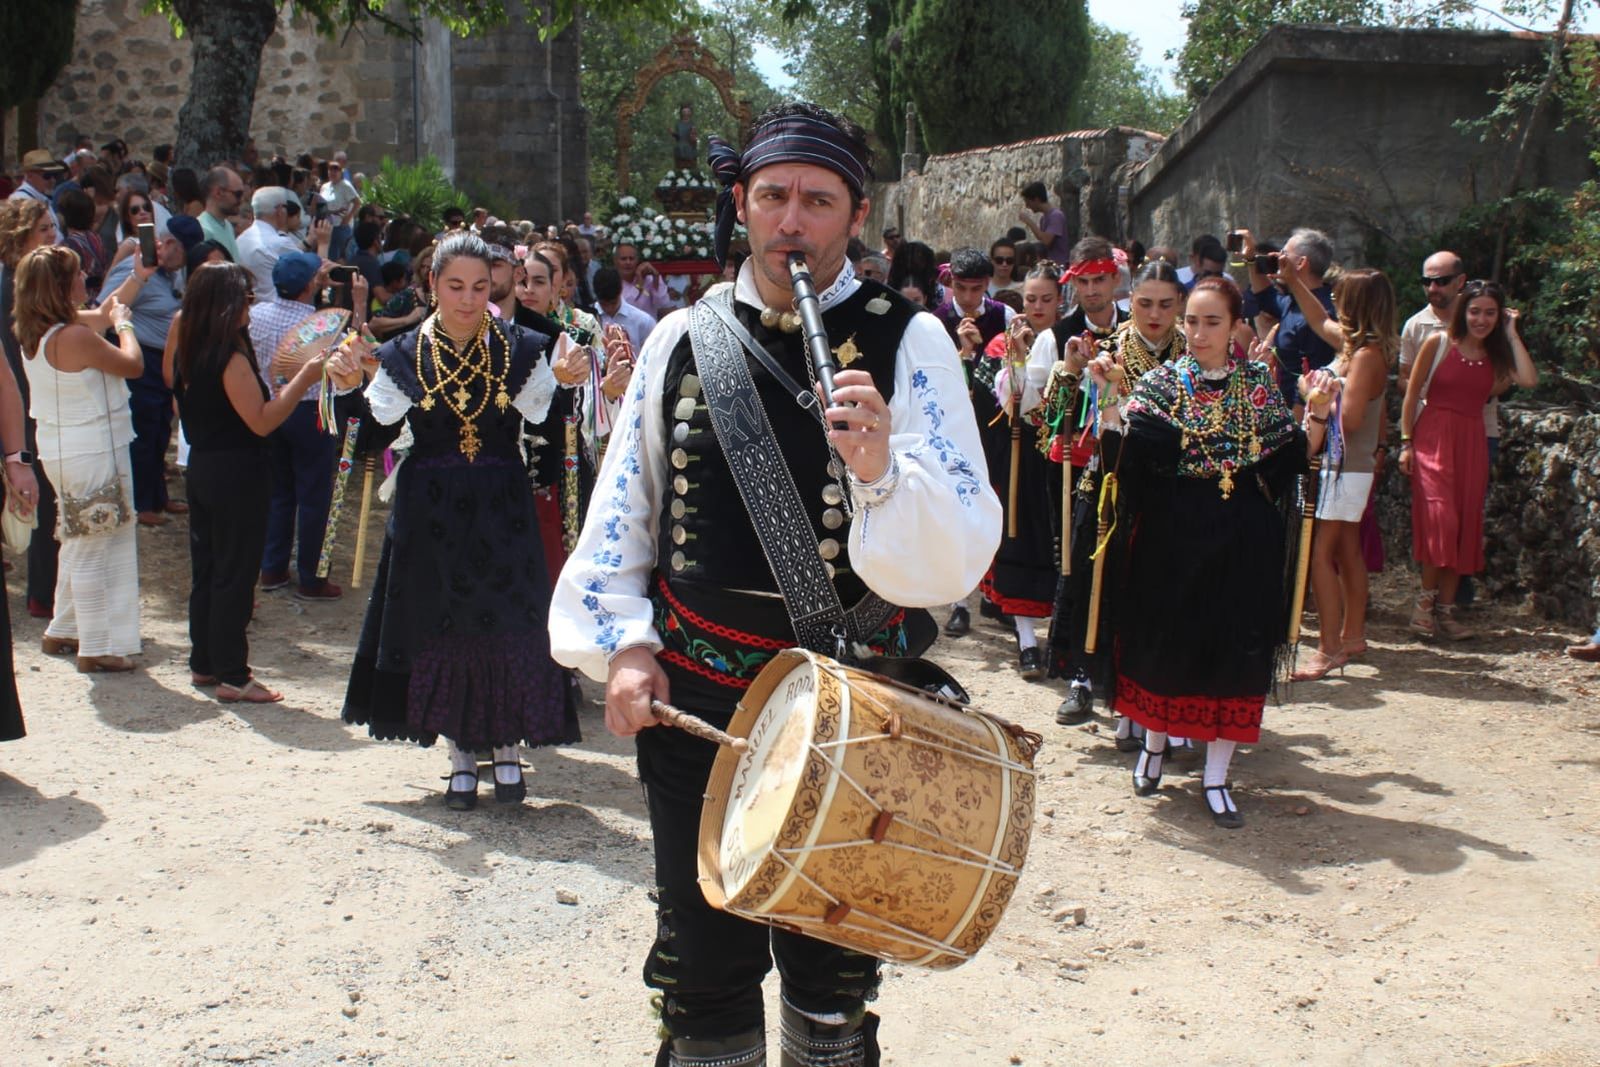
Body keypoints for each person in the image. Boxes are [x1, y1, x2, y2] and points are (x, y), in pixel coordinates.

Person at [549, 100, 1000, 1067]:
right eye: (773, 196)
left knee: (833, 970)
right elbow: (627, 500)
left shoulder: (911, 340)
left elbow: (962, 548)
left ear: (858, 214)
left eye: (818, 201)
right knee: (701, 963)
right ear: (744, 204)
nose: (792, 220)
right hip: (699, 698)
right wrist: (624, 645)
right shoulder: (682, 336)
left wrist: (882, 470)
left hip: (854, 703)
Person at [1087, 275, 1336, 828]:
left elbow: (1291, 457)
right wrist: (1108, 400)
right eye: (1192, 322)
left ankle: (1217, 776)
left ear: (1236, 327)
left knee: (1235, 650)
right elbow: (1124, 457)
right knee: (1167, 644)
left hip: (1243, 540)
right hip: (1172, 537)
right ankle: (1154, 745)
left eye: (1212, 322)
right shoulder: (1160, 384)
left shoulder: (1258, 385)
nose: (1199, 334)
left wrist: (1317, 412)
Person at [341, 232, 577, 808]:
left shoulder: (522, 348)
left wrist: (572, 388)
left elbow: (549, 429)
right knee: (441, 627)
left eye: (479, 287)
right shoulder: (402, 355)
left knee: (507, 625)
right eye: (455, 287)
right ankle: (461, 757)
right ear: (432, 285)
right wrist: (348, 389)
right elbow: (370, 436)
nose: (469, 299)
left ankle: (507, 748)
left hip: (503, 509)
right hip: (430, 513)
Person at [173, 263, 356, 702]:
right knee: (235, 574)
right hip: (236, 472)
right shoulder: (229, 359)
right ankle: (233, 675)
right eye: (245, 298)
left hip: (204, 465)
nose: (250, 307)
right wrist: (304, 378)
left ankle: (205, 662)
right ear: (225, 305)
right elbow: (262, 420)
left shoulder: (189, 349)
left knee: (209, 569)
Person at [1034, 258, 1184, 732]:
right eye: (1145, 303)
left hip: (1172, 487)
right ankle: (1082, 678)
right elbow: (1053, 418)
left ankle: (1145, 694)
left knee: (1154, 589)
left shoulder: (1192, 354)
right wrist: (1070, 369)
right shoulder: (1107, 349)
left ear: (1179, 305)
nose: (1154, 314)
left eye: (1165, 305)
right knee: (1090, 578)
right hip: (1108, 482)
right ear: (1130, 301)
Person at [14, 245, 145, 672]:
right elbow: (132, 364)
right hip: (90, 449)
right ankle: (96, 645)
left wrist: (136, 277)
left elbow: (102, 312)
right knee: (94, 542)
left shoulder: (37, 328)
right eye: (75, 275)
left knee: (77, 536)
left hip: (62, 447)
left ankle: (64, 627)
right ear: (57, 285)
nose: (82, 279)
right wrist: (125, 326)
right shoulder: (73, 336)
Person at [1398, 280, 1538, 640]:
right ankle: (1424, 605)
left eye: (1490, 313)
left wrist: (1511, 332)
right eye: (1475, 311)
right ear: (1464, 311)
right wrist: (1406, 443)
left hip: (1472, 441)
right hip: (1433, 437)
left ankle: (1446, 612)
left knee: (1463, 526)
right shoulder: (1438, 342)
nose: (1481, 319)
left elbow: (1528, 379)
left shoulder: (1497, 355)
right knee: (1441, 520)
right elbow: (1411, 396)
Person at [1278, 265, 1397, 678]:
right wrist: (1292, 279)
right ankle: (1352, 635)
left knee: (1318, 556)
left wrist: (1310, 393)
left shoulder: (1365, 357)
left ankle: (1328, 648)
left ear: (1356, 305)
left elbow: (1352, 418)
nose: (1333, 303)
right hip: (1346, 467)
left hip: (1341, 468)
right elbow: (1317, 319)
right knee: (1347, 551)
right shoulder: (1356, 348)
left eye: (1340, 298)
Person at [248, 251, 365, 601]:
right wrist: (358, 302)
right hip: (311, 410)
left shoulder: (256, 315)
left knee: (279, 491)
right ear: (311, 284)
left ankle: (272, 567)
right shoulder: (322, 324)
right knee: (315, 496)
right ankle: (313, 576)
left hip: (270, 408)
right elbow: (355, 352)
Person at [986, 262, 1068, 678]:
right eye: (1031, 299)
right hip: (1026, 455)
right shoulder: (1007, 342)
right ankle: (1027, 641)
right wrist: (1015, 360)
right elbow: (1012, 401)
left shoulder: (1067, 337)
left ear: (1060, 300)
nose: (1037, 307)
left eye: (1046, 299)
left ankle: (1062, 638)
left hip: (1067, 454)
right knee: (1023, 540)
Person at [933, 246, 1014, 638]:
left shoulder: (1004, 316)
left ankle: (994, 593)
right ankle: (959, 602)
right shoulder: (934, 321)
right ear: (951, 283)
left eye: (976, 289)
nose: (967, 297)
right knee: (956, 510)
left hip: (993, 425)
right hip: (952, 426)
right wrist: (959, 352)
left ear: (987, 285)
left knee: (993, 505)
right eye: (961, 288)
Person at [97, 216, 190, 525]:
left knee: (160, 430)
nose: (184, 262)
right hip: (140, 359)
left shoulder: (170, 274)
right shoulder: (134, 269)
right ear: (171, 244)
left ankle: (158, 496)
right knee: (143, 432)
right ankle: (140, 503)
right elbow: (104, 308)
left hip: (162, 360)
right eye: (185, 253)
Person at [1239, 227, 1336, 407]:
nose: (1276, 257)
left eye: (1283, 254)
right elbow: (1265, 295)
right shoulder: (1293, 302)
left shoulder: (1322, 315)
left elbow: (1312, 380)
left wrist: (1296, 422)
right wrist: (1251, 259)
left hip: (1304, 414)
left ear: (1301, 263)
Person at [593, 265, 655, 353]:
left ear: (621, 290)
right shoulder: (587, 319)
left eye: (613, 303)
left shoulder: (644, 321)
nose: (609, 309)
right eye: (604, 304)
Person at [613, 241, 671, 320]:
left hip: (650, 326)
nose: (628, 262)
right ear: (615, 261)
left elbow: (663, 304)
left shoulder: (650, 278)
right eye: (623, 259)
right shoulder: (611, 281)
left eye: (631, 259)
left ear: (637, 261)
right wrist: (639, 285)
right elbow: (626, 308)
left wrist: (656, 277)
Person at [197, 167, 244, 262]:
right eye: (238, 194)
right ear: (218, 193)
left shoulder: (227, 225)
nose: (242, 200)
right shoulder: (204, 230)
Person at [1018, 180, 1071, 264]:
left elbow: (1046, 241)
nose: (1027, 206)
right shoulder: (1043, 219)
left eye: (1028, 202)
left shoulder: (1056, 216)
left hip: (1059, 264)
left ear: (1036, 199)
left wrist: (1029, 222)